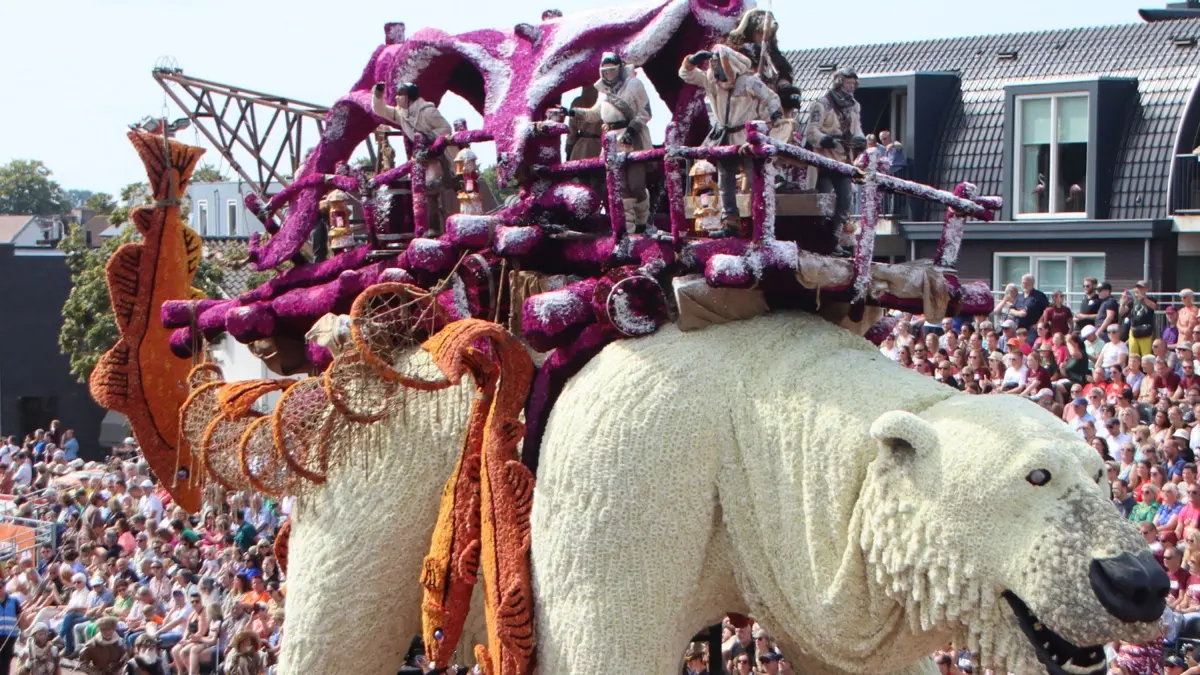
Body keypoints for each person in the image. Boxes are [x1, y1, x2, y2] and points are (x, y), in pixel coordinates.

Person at [679, 45, 783, 238]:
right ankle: (730, 223)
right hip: (724, 138)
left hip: (747, 137)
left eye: (717, 63)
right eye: (712, 63)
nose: (714, 67)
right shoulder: (711, 81)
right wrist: (692, 60)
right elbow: (686, 74)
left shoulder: (749, 82)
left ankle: (765, 222)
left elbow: (771, 97)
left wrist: (775, 114)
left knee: (756, 178)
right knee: (725, 180)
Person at [569, 53, 656, 235]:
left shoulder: (634, 84)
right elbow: (594, 114)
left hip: (633, 137)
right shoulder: (603, 92)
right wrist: (572, 112)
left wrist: (631, 131)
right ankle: (630, 229)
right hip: (611, 141)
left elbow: (646, 112)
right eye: (605, 71)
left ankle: (643, 221)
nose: (608, 74)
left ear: (619, 69)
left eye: (612, 70)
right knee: (620, 186)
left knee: (636, 183)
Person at [371, 81, 457, 235]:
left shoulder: (428, 112)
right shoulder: (402, 113)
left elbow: (446, 130)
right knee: (423, 191)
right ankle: (427, 229)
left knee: (431, 187)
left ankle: (434, 229)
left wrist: (429, 143)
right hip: (423, 159)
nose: (397, 98)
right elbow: (381, 110)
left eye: (400, 95)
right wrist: (378, 94)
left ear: (409, 98)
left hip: (441, 157)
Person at [804, 67, 864, 257]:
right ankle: (822, 239)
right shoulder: (822, 104)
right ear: (839, 82)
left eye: (854, 83)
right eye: (848, 82)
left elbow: (857, 129)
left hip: (844, 160)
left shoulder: (855, 105)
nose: (851, 86)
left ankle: (836, 240)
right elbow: (812, 131)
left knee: (845, 201)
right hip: (824, 160)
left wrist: (859, 140)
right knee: (825, 201)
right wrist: (827, 140)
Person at [1128, 281, 1160, 357]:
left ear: (1146, 289)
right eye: (1138, 287)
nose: (1139, 289)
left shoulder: (1151, 298)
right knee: (1133, 354)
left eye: (1141, 287)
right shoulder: (1133, 300)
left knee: (1146, 355)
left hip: (1146, 330)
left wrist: (1144, 298)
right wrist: (1123, 303)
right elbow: (1122, 312)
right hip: (1134, 329)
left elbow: (1155, 307)